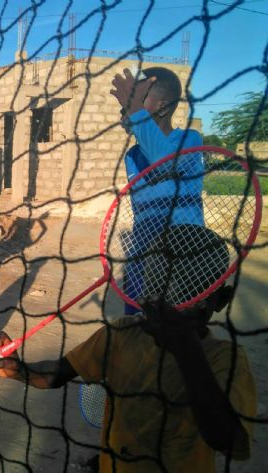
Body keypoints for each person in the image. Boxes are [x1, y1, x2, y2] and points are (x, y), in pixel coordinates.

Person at [0, 225, 256, 473]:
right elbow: (58, 373)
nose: (173, 307)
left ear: (221, 300)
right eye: (163, 289)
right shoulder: (124, 332)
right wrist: (19, 370)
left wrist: (186, 349)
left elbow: (227, 441)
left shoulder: (225, 360)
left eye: (190, 297)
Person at [111, 66, 204, 315]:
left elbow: (164, 161)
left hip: (182, 260)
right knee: (135, 331)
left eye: (136, 102)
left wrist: (135, 111)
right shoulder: (133, 155)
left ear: (162, 106)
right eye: (125, 106)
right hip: (141, 261)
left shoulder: (189, 140)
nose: (124, 112)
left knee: (175, 337)